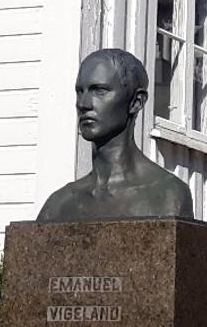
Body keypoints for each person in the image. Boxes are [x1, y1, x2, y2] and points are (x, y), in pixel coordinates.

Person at [36, 48, 195, 221]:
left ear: (136, 102)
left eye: (100, 91)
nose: (83, 104)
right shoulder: (58, 206)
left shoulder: (168, 196)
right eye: (80, 91)